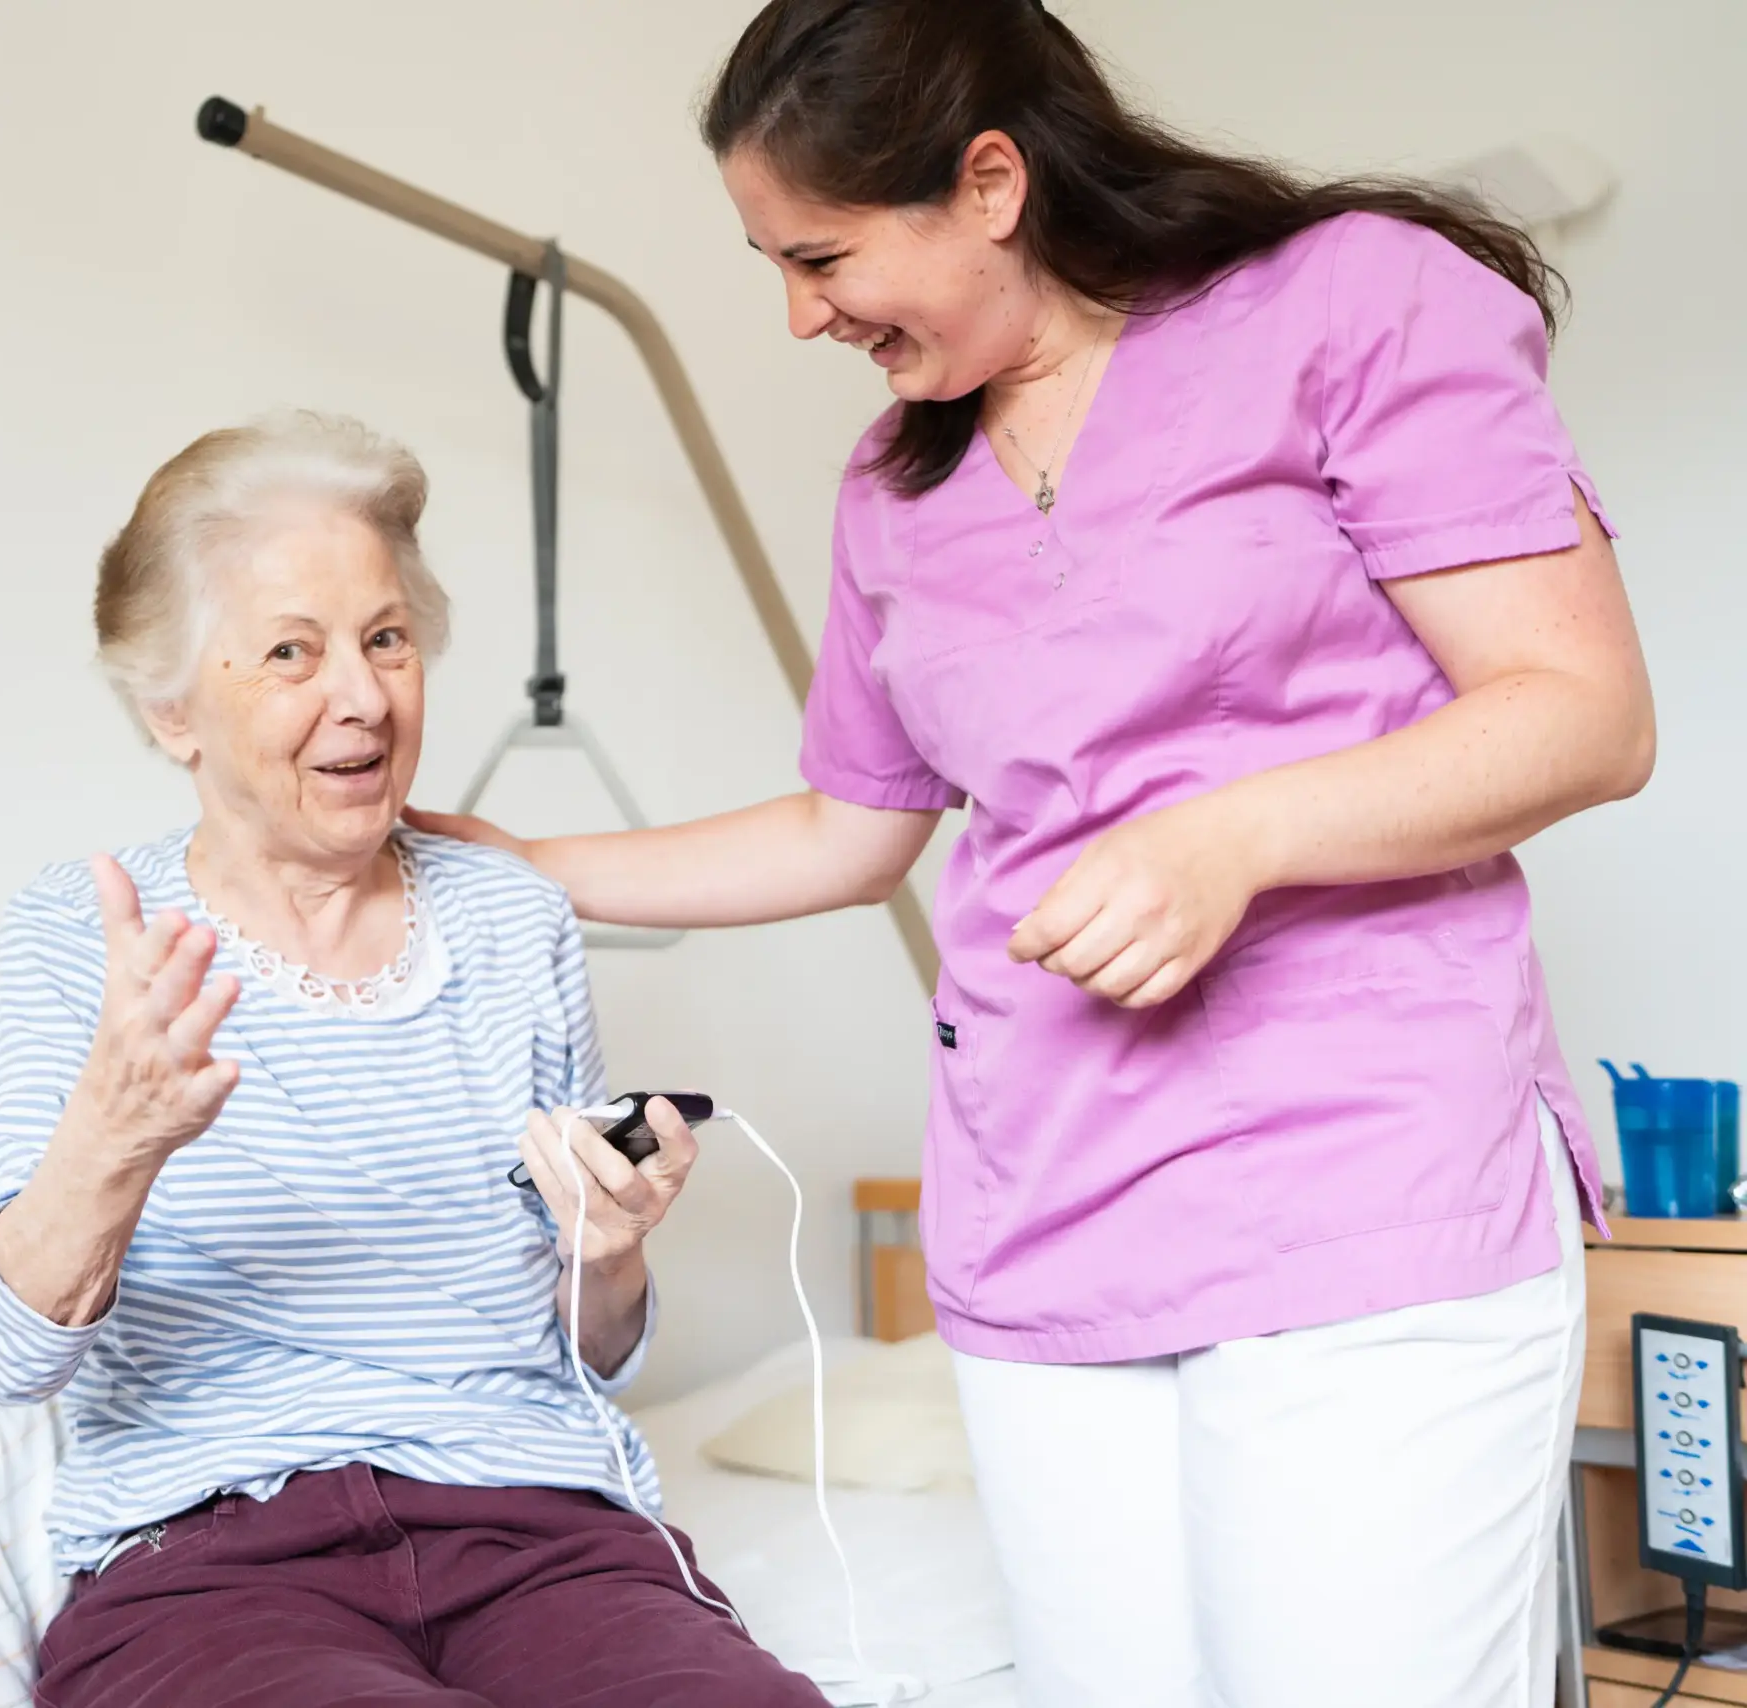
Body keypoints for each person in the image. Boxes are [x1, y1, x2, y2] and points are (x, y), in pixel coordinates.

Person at [411, 4, 1655, 1705]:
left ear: (990, 180)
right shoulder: (894, 488)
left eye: (823, 254)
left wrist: (1240, 838)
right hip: (1045, 1219)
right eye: (772, 263)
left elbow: (1584, 712)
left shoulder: (1353, 301)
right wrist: (520, 862)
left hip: (1368, 1188)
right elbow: (853, 833)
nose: (798, 314)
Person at [0, 412, 829, 1708]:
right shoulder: (88, 933)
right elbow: (2, 1357)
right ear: (173, 709)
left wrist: (610, 1253)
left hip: (542, 1536)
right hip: (212, 1564)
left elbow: (590, 1349)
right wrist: (113, 1136)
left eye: (386, 639)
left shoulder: (512, 916)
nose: (361, 696)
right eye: (292, 652)